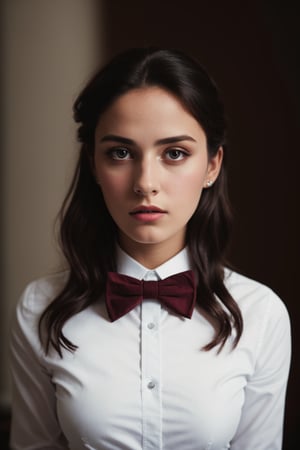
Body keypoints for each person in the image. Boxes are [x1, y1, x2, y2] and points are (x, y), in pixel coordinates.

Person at [10, 47, 291, 449]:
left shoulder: (261, 315)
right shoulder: (38, 308)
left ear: (212, 165)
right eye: (120, 153)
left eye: (174, 153)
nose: (145, 182)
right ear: (93, 164)